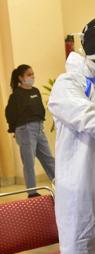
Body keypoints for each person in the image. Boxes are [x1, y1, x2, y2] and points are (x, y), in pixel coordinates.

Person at [4, 64, 55, 196]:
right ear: (20, 78)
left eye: (33, 74)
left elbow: (40, 109)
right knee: (29, 163)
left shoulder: (35, 91)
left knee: (48, 159)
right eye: (29, 75)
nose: (32, 77)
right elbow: (10, 113)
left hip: (39, 128)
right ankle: (32, 192)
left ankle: (60, 184)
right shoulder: (16, 95)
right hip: (25, 130)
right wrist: (14, 129)